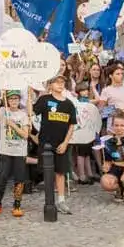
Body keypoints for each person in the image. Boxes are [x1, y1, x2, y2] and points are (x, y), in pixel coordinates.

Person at [32, 76, 77, 215]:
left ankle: (61, 201)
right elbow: (32, 112)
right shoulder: (44, 100)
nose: (60, 84)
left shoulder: (69, 104)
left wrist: (65, 142)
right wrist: (29, 95)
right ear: (50, 85)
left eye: (62, 82)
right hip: (46, 143)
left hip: (62, 144)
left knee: (61, 172)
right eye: (57, 82)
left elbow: (72, 125)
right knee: (47, 172)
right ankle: (49, 200)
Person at [0, 90, 29, 217]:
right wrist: (1, 98)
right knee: (2, 178)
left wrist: (12, 124)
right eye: (11, 99)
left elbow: (25, 134)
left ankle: (17, 205)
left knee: (19, 179)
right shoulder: (3, 111)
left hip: (19, 152)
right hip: (5, 150)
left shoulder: (23, 115)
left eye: (16, 99)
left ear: (19, 101)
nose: (13, 101)